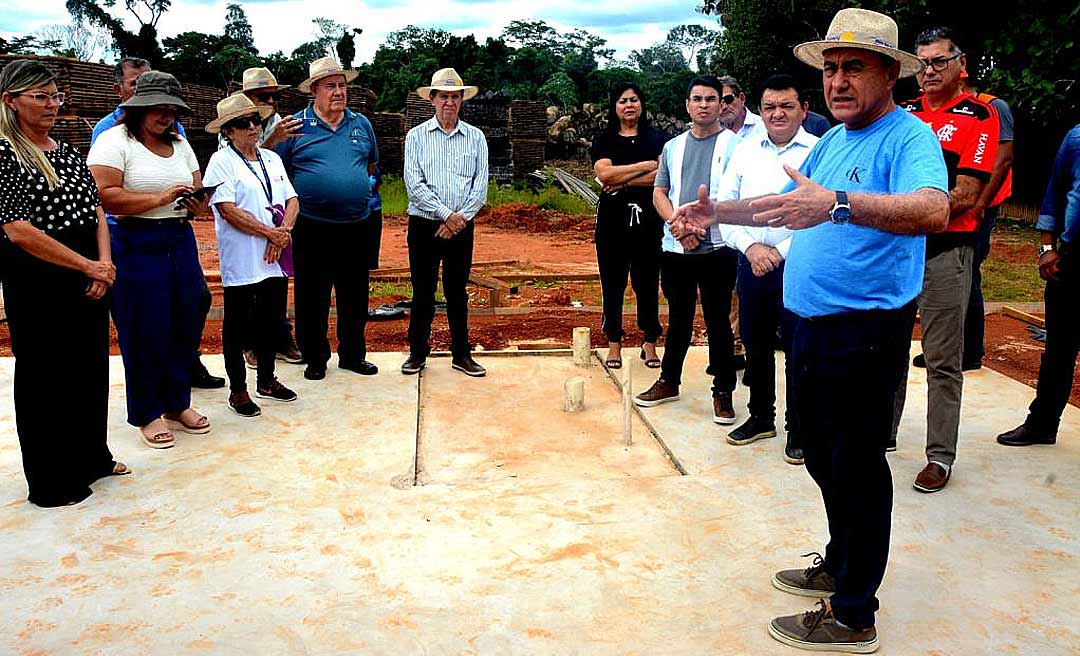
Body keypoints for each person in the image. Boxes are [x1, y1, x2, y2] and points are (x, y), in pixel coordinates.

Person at [670, 8, 948, 651]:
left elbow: (934, 208)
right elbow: (789, 204)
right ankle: (840, 562)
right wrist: (715, 215)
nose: (838, 81)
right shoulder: (833, 141)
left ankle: (855, 611)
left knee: (855, 462)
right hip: (812, 325)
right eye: (831, 68)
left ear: (889, 75)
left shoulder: (906, 139)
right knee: (822, 454)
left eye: (855, 67)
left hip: (865, 327)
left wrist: (841, 205)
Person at [0, 59, 129, 506]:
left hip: (87, 272)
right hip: (38, 278)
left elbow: (95, 210)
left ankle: (92, 457)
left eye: (56, 96)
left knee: (87, 368)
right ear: (10, 101)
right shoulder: (4, 154)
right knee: (44, 377)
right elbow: (17, 229)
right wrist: (87, 266)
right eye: (41, 97)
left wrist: (103, 263)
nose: (53, 104)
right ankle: (51, 480)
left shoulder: (68, 149)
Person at [893, 27, 998, 493]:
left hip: (946, 250)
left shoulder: (980, 115)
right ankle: (882, 433)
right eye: (921, 64)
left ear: (961, 64)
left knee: (941, 358)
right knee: (888, 348)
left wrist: (909, 212)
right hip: (897, 249)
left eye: (938, 62)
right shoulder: (903, 114)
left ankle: (940, 455)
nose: (929, 71)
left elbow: (970, 192)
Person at [87, 71, 213, 449]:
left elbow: (195, 188)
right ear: (138, 107)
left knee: (188, 312)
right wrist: (158, 198)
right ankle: (147, 410)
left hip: (178, 236)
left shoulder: (181, 144)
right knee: (144, 326)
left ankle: (177, 401)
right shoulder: (114, 141)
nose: (166, 115)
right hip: (135, 239)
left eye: (171, 109)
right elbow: (103, 196)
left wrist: (198, 203)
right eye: (158, 108)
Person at [717, 74, 819, 462]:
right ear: (760, 110)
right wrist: (752, 246)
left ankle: (800, 428)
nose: (778, 113)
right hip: (751, 263)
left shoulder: (819, 150)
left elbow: (825, 213)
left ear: (803, 110)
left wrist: (783, 252)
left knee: (799, 348)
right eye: (770, 107)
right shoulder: (744, 151)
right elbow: (725, 207)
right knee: (756, 342)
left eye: (787, 106)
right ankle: (761, 416)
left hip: (800, 265)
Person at [633, 76, 740, 425]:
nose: (705, 104)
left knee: (718, 320)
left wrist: (700, 227)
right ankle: (669, 380)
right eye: (698, 98)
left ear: (721, 105)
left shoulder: (736, 146)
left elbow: (737, 197)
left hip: (718, 246)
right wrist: (678, 228)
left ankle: (723, 391)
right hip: (677, 247)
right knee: (678, 317)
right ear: (687, 105)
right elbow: (659, 193)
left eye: (712, 98)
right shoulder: (673, 147)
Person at [274, 57, 380, 381]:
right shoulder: (295, 127)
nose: (338, 92)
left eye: (342, 85)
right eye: (331, 86)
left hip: (356, 223)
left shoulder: (361, 124)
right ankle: (315, 357)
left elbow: (371, 166)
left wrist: (349, 187)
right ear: (314, 91)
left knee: (355, 294)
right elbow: (278, 172)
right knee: (312, 295)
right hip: (312, 225)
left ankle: (352, 355)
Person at [203, 93, 299, 417]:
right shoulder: (221, 162)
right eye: (242, 123)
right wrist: (271, 233)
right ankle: (238, 389)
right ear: (227, 131)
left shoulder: (271, 159)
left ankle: (267, 379)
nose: (252, 127)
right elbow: (228, 210)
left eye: (255, 120)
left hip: (274, 254)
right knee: (238, 324)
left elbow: (292, 200)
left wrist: (282, 233)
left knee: (271, 320)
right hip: (244, 257)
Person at [401, 67, 489, 377]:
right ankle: (417, 353)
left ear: (462, 99)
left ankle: (461, 354)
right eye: (443, 96)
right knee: (423, 291)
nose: (449, 102)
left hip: (462, 227)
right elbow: (414, 183)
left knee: (457, 292)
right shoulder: (417, 136)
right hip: (426, 224)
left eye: (454, 96)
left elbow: (480, 187)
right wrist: (445, 215)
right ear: (432, 100)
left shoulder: (476, 138)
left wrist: (459, 218)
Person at [997, 124, 1080, 447]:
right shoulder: (1075, 138)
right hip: (1072, 258)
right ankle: (1043, 423)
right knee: (1059, 348)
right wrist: (1047, 247)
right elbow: (1056, 193)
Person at [226, 67, 305, 368]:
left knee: (276, 284)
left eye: (273, 96)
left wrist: (282, 231)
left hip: (278, 217)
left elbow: (285, 183)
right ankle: (251, 345)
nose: (269, 102)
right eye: (262, 96)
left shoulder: (277, 123)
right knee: (249, 288)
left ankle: (279, 337)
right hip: (250, 222)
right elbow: (245, 159)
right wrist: (271, 138)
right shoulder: (237, 126)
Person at [589, 82, 666, 370]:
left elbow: (662, 175)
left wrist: (624, 180)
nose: (629, 105)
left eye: (634, 99)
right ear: (615, 107)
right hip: (612, 222)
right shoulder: (605, 139)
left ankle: (649, 342)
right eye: (623, 101)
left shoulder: (657, 139)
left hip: (649, 220)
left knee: (647, 283)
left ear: (641, 104)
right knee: (613, 283)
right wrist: (645, 166)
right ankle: (614, 343)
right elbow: (604, 174)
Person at [960, 71, 1015, 370]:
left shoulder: (994, 107)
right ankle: (954, 348)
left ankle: (970, 352)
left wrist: (981, 203)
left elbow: (1003, 158)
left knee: (969, 272)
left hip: (982, 205)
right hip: (959, 204)